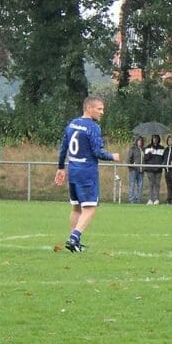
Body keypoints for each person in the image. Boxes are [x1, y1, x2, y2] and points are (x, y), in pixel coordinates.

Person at [54, 96, 121, 252]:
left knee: (76, 207)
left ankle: (74, 242)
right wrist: (113, 156)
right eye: (99, 109)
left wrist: (61, 168)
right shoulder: (93, 127)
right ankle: (74, 237)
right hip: (86, 172)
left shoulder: (72, 124)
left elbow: (64, 148)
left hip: (73, 170)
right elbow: (98, 152)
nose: (102, 112)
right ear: (88, 108)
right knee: (89, 208)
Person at [142, 134, 165, 204]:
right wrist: (149, 152)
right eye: (154, 138)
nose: (155, 140)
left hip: (158, 170)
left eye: (156, 138)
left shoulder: (161, 148)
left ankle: (156, 199)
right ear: (152, 139)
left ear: (158, 139)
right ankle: (150, 199)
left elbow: (163, 158)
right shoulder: (148, 147)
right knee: (151, 184)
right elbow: (145, 159)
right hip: (150, 169)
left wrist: (161, 165)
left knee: (157, 184)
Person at [125, 137, 144, 204]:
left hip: (141, 170)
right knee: (132, 185)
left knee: (140, 185)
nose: (140, 142)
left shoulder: (143, 149)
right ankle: (131, 200)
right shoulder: (132, 149)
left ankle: (138, 199)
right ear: (136, 141)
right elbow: (128, 159)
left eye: (141, 141)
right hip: (133, 170)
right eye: (139, 141)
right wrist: (131, 167)